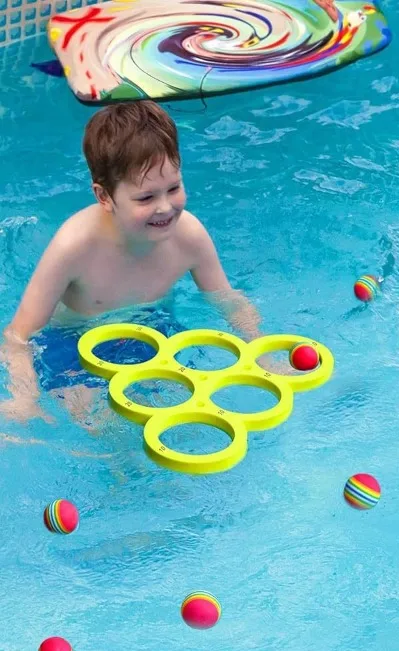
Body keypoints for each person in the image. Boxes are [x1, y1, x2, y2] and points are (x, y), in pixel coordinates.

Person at [0, 100, 259, 425]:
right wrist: (24, 399)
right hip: (74, 345)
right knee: (99, 425)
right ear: (104, 196)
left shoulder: (189, 235)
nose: (165, 207)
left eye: (174, 188)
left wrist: (260, 352)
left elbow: (228, 301)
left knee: (182, 416)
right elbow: (19, 336)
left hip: (152, 330)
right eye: (146, 197)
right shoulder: (74, 247)